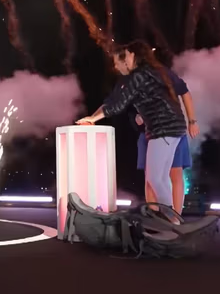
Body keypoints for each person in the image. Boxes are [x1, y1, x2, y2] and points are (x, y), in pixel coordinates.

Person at [76, 41, 188, 219]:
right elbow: (112, 101)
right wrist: (93, 117)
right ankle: (173, 219)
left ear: (133, 57)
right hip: (173, 127)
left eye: (124, 57)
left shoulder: (138, 76)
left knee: (155, 178)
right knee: (159, 178)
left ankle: (172, 218)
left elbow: (118, 105)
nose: (117, 65)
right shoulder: (148, 72)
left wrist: (92, 119)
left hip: (163, 129)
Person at [130, 65, 199, 213]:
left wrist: (192, 121)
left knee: (175, 173)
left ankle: (175, 216)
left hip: (172, 131)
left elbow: (184, 92)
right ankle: (155, 214)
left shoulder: (164, 74)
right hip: (149, 134)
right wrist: (137, 117)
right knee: (151, 178)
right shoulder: (132, 81)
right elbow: (123, 105)